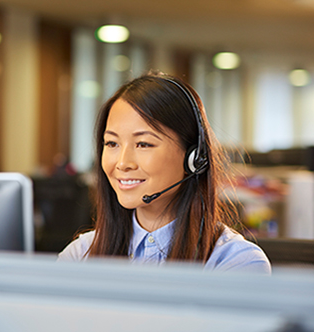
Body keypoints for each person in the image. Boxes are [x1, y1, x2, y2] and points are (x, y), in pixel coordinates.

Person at [58, 71, 271, 274]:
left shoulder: (236, 262)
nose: (122, 163)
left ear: (194, 158)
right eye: (112, 143)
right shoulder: (80, 255)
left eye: (143, 144)